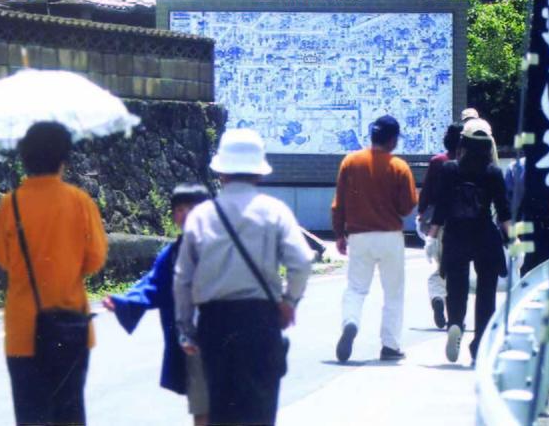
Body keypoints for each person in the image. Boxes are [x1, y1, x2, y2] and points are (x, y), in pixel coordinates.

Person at [174, 129, 313, 426]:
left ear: (221, 172)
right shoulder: (275, 211)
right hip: (260, 321)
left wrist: (186, 327)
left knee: (222, 413)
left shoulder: (201, 215)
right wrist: (289, 301)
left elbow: (183, 279)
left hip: (215, 324)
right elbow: (301, 261)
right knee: (260, 413)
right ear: (258, 173)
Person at [0, 122, 108, 425]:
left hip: (23, 332)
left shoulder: (10, 204)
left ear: (25, 158)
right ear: (63, 159)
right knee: (69, 413)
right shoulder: (79, 202)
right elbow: (95, 258)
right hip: (70, 327)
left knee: (31, 415)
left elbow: (2, 258)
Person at [103, 184, 211, 426]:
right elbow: (152, 284)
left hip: (228, 337)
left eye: (192, 209)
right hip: (195, 340)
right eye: (180, 209)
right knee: (202, 408)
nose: (185, 215)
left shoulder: (223, 247)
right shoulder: (172, 254)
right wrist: (124, 301)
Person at [331, 115, 418, 362]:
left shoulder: (351, 161)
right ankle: (390, 346)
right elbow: (406, 207)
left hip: (359, 236)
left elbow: (339, 202)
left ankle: (350, 322)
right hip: (390, 236)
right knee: (393, 292)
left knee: (356, 288)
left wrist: (339, 234)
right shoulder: (399, 167)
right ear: (392, 140)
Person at [428, 118, 512, 364]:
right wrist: (515, 241)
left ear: (462, 143)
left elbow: (441, 208)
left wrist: (431, 238)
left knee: (457, 287)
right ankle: (480, 346)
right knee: (486, 293)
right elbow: (504, 213)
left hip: (456, 235)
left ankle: (455, 322)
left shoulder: (449, 169)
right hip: (485, 236)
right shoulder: (493, 172)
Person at [418, 122, 464, 329]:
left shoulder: (438, 161)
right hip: (464, 223)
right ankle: (453, 312)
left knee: (441, 266)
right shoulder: (470, 163)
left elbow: (426, 192)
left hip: (438, 223)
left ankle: (437, 296)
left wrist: (421, 214)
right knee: (456, 269)